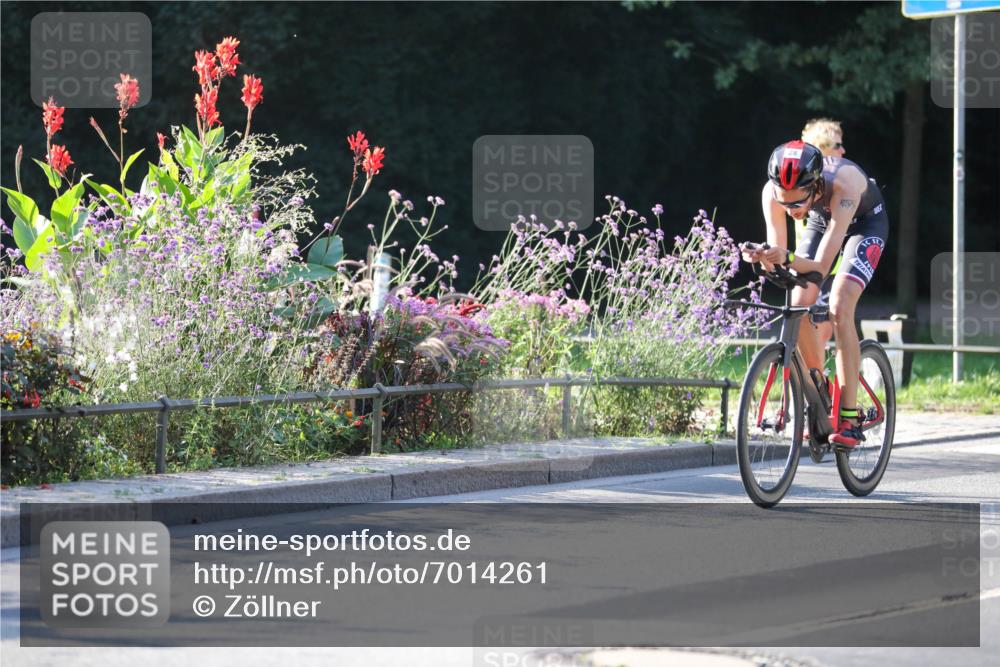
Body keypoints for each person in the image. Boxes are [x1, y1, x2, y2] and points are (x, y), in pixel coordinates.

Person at [742, 140, 889, 447]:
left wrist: (787, 257)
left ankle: (849, 418)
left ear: (816, 184)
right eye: (785, 204)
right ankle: (818, 389)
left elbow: (820, 267)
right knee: (799, 303)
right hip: (823, 219)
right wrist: (764, 257)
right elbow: (778, 248)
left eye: (797, 204)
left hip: (863, 223)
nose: (791, 211)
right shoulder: (774, 192)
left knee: (839, 303)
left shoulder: (843, 186)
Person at [796, 118, 845, 353]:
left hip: (830, 268)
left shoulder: (838, 184)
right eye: (837, 145)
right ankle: (809, 374)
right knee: (799, 323)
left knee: (822, 326)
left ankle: (818, 375)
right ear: (821, 149)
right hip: (802, 264)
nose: (843, 150)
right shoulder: (801, 183)